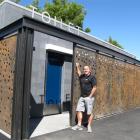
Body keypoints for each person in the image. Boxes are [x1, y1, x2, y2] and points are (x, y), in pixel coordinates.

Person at [72, 63, 97, 133]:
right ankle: (79, 125)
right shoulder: (82, 76)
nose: (85, 70)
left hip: (89, 97)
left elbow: (95, 87)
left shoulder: (92, 77)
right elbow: (78, 73)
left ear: (89, 70)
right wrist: (77, 66)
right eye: (84, 69)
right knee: (79, 110)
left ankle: (89, 126)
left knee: (89, 112)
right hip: (82, 97)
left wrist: (90, 96)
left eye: (87, 69)